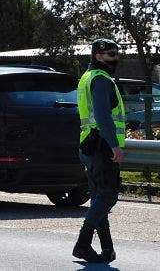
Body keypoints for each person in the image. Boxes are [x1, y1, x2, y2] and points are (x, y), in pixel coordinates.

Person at [73, 39, 125, 263]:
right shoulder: (101, 80)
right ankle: (83, 244)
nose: (115, 58)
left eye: (116, 53)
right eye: (109, 54)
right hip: (102, 145)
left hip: (89, 144)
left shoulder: (88, 77)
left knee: (99, 197)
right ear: (97, 56)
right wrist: (115, 145)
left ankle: (107, 249)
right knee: (108, 196)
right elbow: (104, 117)